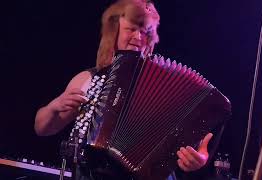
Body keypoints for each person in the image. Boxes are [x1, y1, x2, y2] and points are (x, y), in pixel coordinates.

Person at [34, 0, 217, 179]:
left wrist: (200, 158)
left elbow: (199, 147)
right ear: (113, 33)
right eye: (131, 29)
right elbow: (42, 128)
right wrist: (55, 106)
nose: (138, 37)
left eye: (145, 32)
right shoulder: (89, 80)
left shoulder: (172, 86)